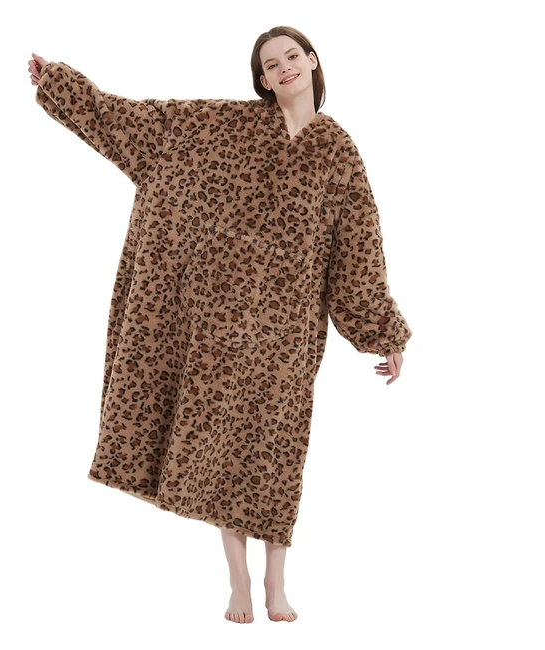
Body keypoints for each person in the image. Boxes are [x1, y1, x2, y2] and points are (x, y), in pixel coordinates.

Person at [28, 25, 412, 625]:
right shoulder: (223, 127)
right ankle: (238, 583)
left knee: (276, 458)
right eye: (271, 64)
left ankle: (276, 583)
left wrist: (382, 332)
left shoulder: (338, 151)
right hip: (220, 335)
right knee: (223, 458)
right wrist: (63, 86)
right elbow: (142, 126)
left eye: (292, 56)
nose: (284, 68)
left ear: (313, 62)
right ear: (262, 80)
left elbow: (358, 254)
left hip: (287, 341)